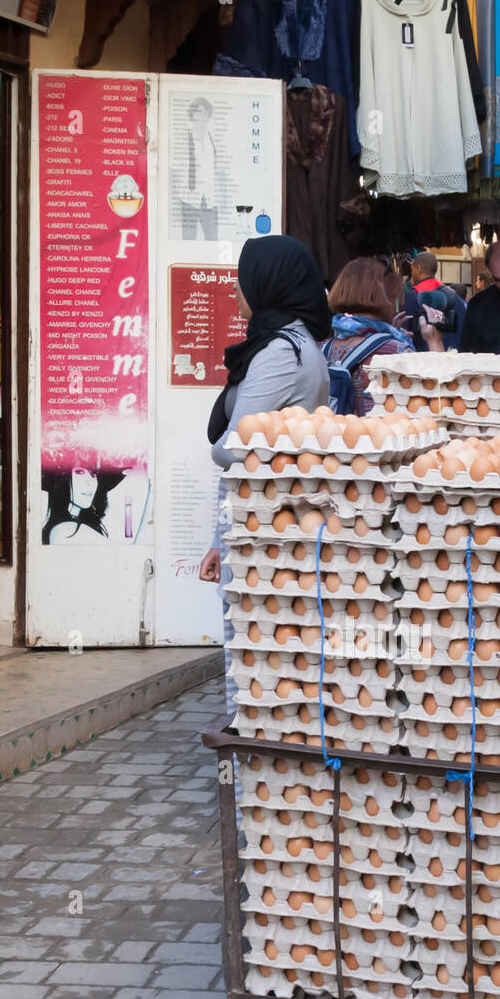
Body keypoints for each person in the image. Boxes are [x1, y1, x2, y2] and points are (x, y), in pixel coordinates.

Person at [199, 236, 331, 718]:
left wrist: (214, 447)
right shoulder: (298, 344)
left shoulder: (280, 352)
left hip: (265, 532)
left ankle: (248, 759)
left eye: (244, 275)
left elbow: (236, 448)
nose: (237, 286)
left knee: (253, 654)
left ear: (268, 282)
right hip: (265, 524)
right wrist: (219, 539)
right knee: (271, 654)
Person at [323, 256, 414, 416]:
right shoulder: (396, 350)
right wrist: (434, 340)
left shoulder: (328, 345)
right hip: (382, 437)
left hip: (338, 436)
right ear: (384, 295)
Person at [179, 97, 219, 240]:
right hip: (190, 198)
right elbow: (176, 166)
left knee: (212, 240)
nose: (199, 115)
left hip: (209, 199)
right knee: (188, 240)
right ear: (192, 115)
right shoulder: (184, 137)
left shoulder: (212, 138)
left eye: (202, 112)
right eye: (196, 112)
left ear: (208, 115)